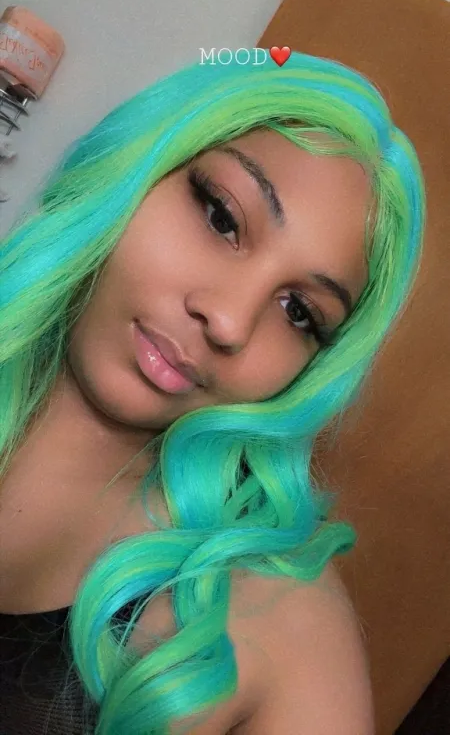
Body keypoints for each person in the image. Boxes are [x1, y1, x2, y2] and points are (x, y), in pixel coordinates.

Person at [0, 51, 425, 734]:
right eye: (223, 217)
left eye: (299, 313)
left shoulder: (281, 634)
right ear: (139, 165)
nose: (228, 321)